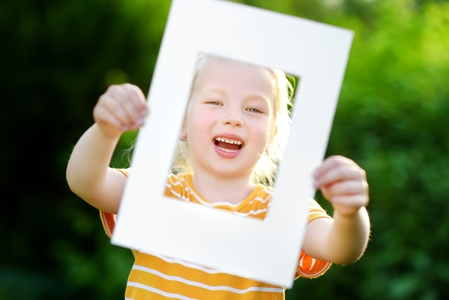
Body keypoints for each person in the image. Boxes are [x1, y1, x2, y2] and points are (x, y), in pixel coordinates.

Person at [66, 54, 370, 299]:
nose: (233, 118)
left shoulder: (281, 211)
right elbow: (85, 182)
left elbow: (340, 248)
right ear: (182, 123)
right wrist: (106, 130)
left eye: (253, 109)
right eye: (215, 102)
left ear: (272, 134)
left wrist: (350, 210)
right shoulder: (157, 192)